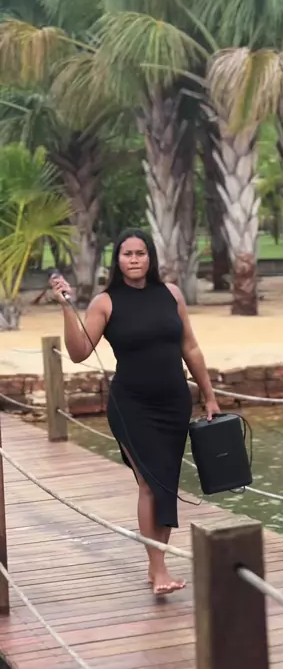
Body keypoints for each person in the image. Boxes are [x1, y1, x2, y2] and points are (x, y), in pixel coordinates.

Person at [50, 228, 220, 596]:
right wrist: (66, 307)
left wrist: (209, 395)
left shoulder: (171, 294)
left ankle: (157, 564)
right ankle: (158, 568)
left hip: (174, 402)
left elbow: (190, 347)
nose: (134, 259)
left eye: (140, 253)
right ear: (117, 260)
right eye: (127, 254)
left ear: (150, 257)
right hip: (132, 406)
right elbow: (79, 352)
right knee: (149, 483)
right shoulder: (105, 302)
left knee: (166, 484)